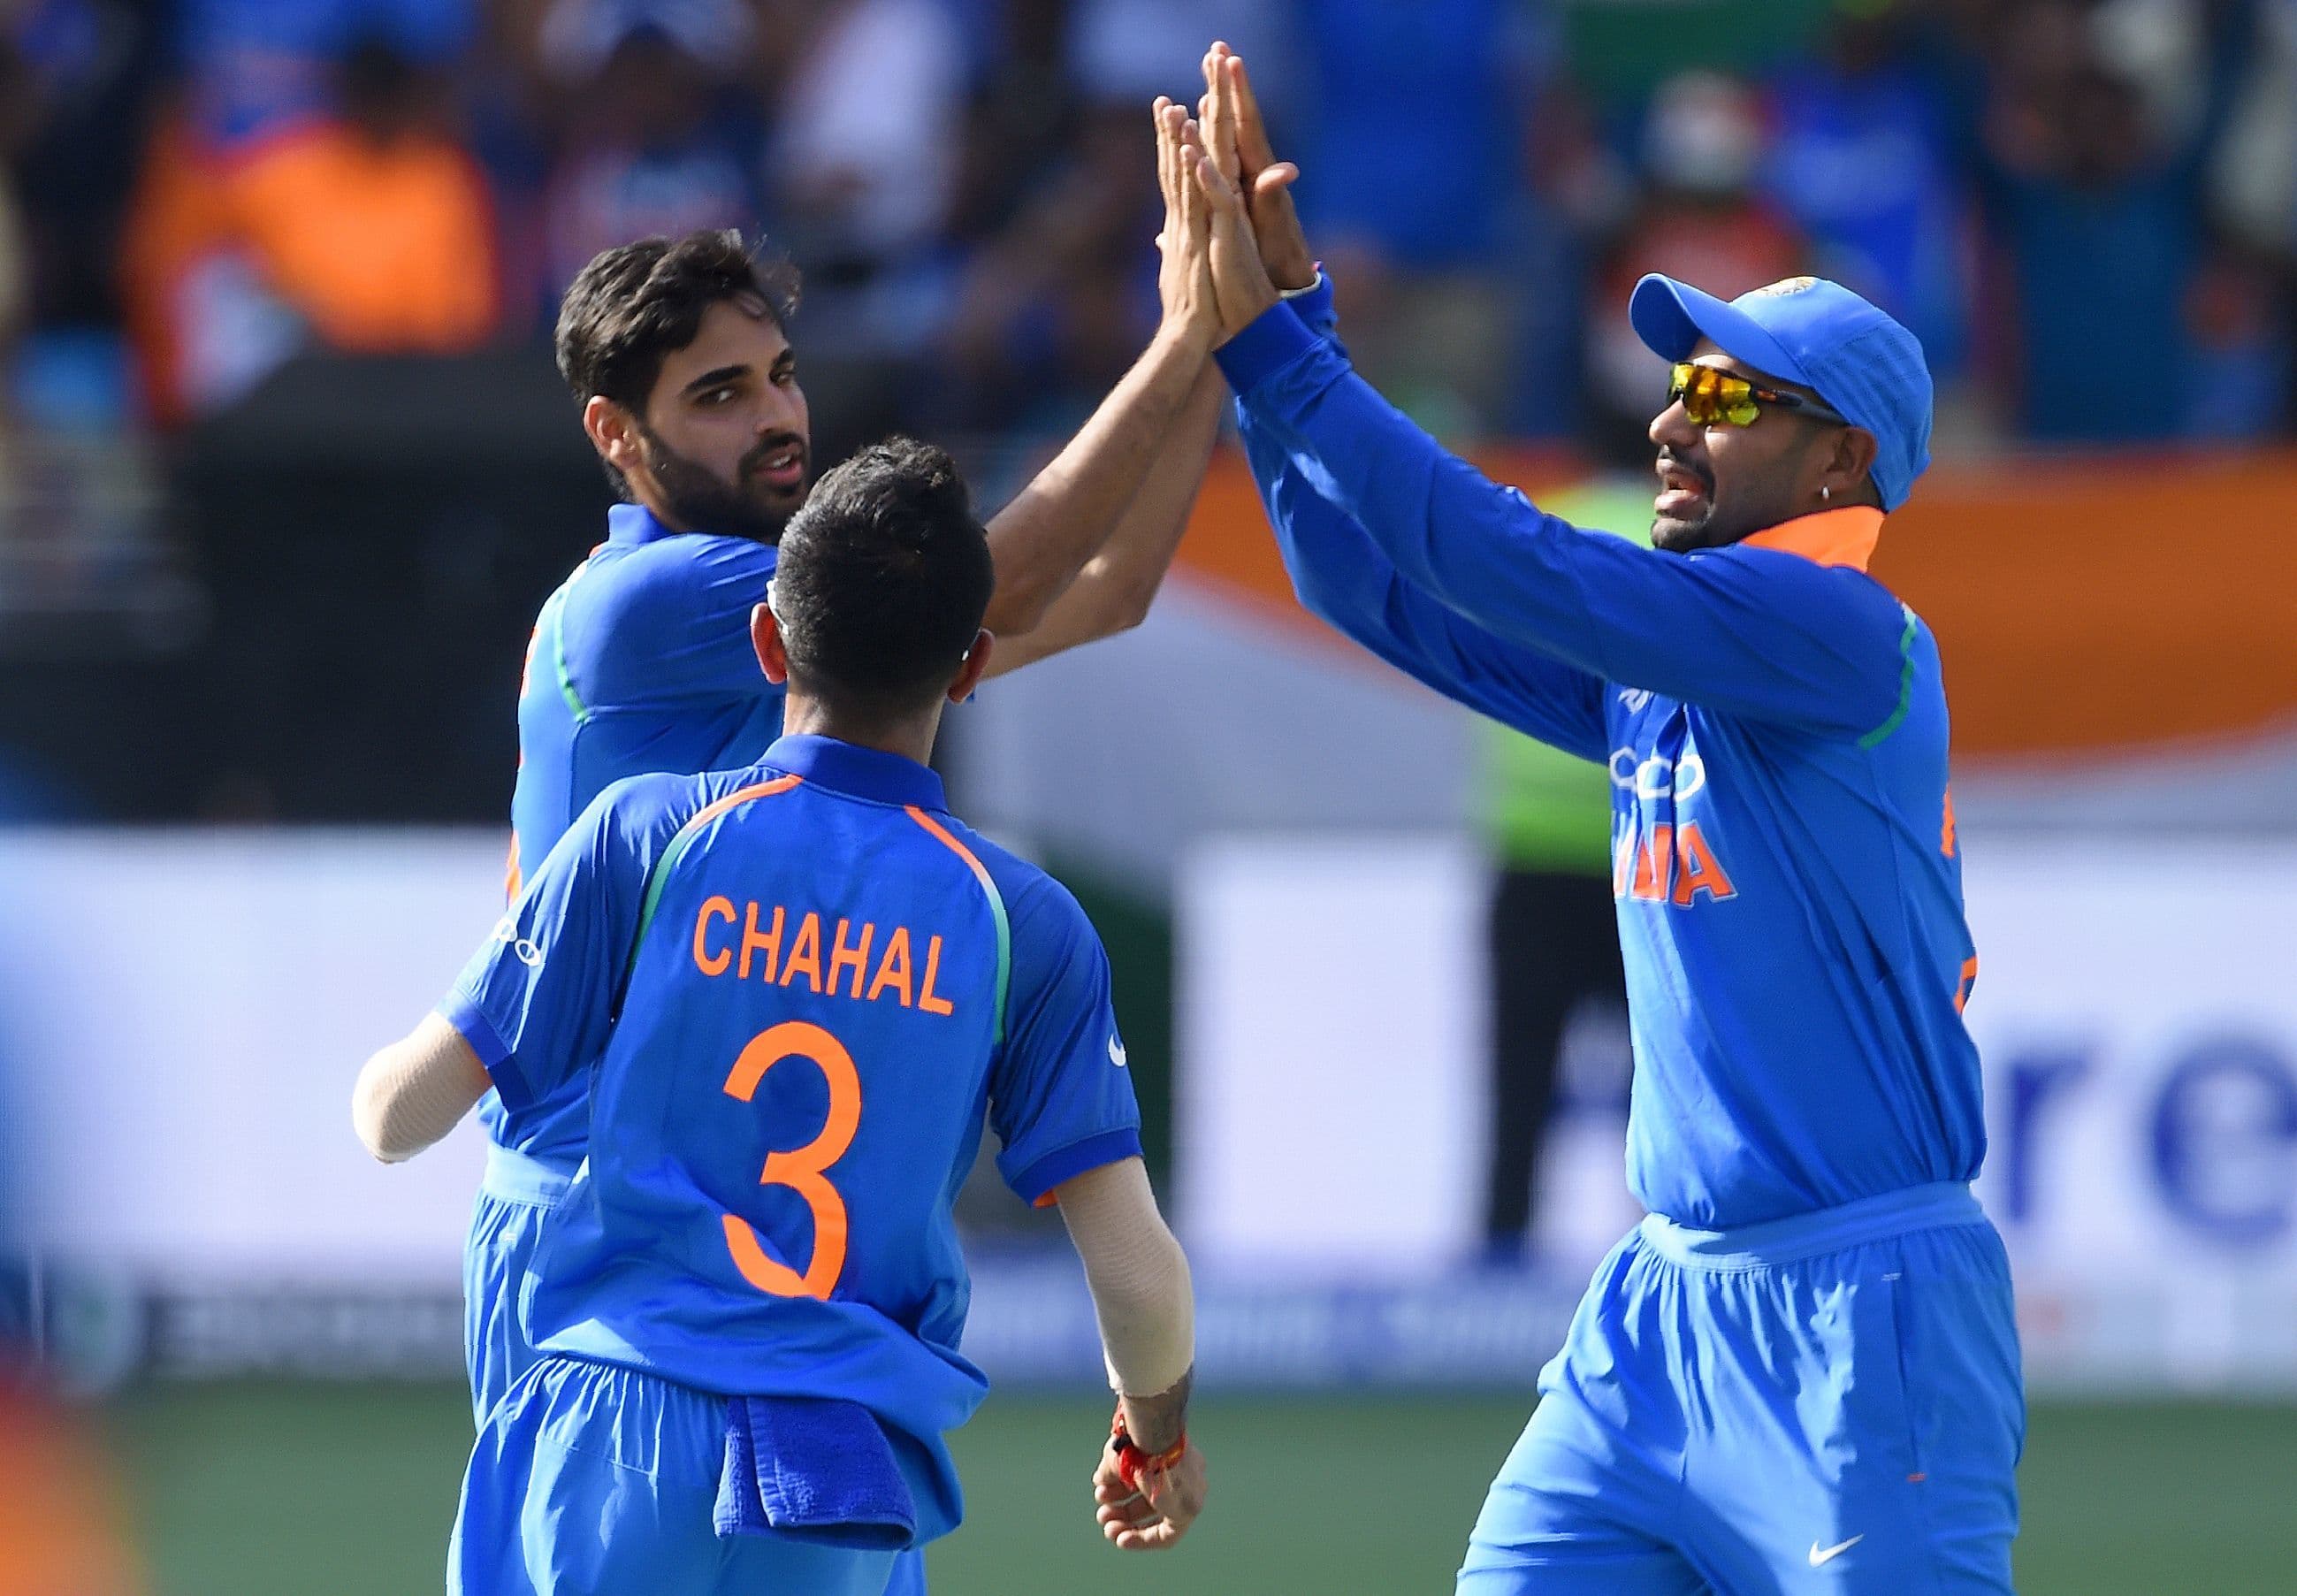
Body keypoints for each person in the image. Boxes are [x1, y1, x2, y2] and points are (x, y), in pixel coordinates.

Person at [1185, 42, 2020, 1593]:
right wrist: (1270, 340)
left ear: (1842, 458)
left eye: (1722, 393)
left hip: (1861, 1314)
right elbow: (1369, 585)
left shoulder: (1840, 636)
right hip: (1658, 1315)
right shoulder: (1682, 662)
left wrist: (1291, 356)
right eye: (1670, 384)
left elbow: (1505, 560)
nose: (1668, 420)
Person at [352, 435, 1206, 1592]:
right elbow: (1140, 1275)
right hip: (847, 1474)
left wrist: (374, 1088)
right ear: (968, 667)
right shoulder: (1022, 921)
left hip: (619, 1426)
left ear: (767, 642)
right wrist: (1152, 1431)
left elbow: (404, 1118)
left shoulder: (648, 833)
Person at [469, 144, 1223, 1445]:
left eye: (780, 376)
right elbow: (1008, 583)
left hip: (706, 1218)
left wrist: (1226, 341)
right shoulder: (658, 600)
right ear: (615, 434)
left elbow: (1105, 593)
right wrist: (1186, 330)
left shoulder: (804, 622)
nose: (774, 417)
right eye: (716, 393)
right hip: (600, 1231)